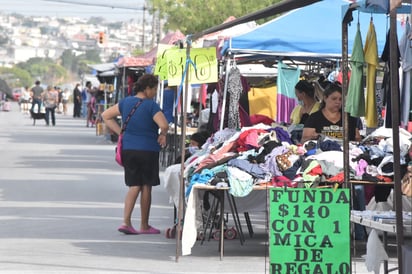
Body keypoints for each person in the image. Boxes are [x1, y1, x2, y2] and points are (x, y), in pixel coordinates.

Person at [102, 74, 169, 235]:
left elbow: (106, 116)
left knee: (134, 185)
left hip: (128, 149)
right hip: (148, 150)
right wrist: (163, 134)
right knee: (146, 186)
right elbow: (164, 124)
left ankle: (126, 222)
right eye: (153, 89)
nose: (154, 92)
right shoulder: (151, 106)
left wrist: (121, 133)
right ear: (147, 88)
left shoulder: (126, 102)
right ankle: (144, 225)